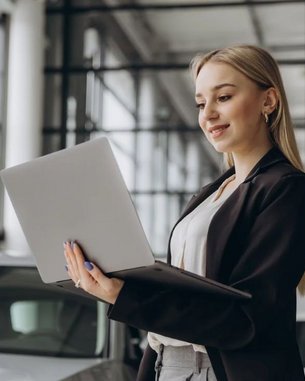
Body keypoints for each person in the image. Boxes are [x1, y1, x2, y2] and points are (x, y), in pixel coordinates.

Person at [64, 45, 305, 381]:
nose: (207, 115)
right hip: (168, 365)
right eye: (201, 103)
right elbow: (185, 294)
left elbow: (248, 319)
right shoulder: (208, 196)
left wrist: (125, 296)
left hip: (222, 372)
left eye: (223, 97)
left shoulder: (286, 189)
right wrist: (114, 279)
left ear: (269, 101)